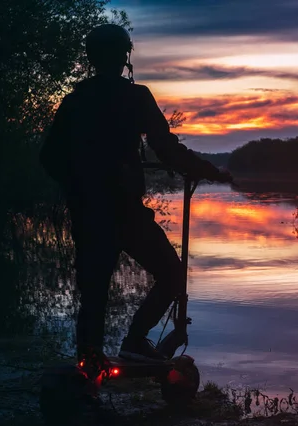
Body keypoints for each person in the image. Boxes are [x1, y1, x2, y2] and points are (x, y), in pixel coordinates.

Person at [39, 24, 230, 366]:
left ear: (90, 57)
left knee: (94, 290)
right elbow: (166, 149)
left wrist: (78, 186)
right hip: (124, 211)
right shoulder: (136, 96)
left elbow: (50, 158)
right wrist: (207, 169)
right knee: (172, 274)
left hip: (87, 212)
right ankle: (135, 339)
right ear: (125, 56)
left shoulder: (74, 102)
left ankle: (88, 361)